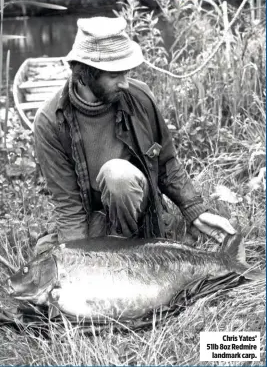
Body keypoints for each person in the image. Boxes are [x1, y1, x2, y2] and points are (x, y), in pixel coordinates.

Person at [34, 16, 235, 247]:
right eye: (114, 75)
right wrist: (77, 258)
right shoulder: (50, 121)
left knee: (117, 174)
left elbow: (166, 163)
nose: (125, 83)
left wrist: (195, 210)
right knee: (50, 257)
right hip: (95, 216)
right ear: (85, 73)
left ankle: (134, 248)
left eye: (126, 72)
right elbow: (68, 204)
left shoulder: (140, 98)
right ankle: (113, 249)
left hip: (140, 209)